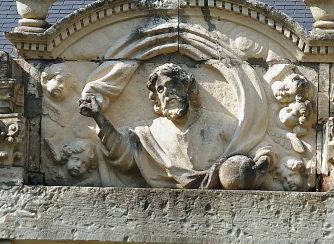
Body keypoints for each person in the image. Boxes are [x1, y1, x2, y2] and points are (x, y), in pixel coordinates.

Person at [78, 63, 271, 189]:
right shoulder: (147, 133)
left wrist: (261, 162)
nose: (167, 93)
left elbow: (257, 144)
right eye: (160, 90)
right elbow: (121, 150)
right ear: (156, 99)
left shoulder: (219, 123)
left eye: (172, 85)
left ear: (187, 87)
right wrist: (100, 119)